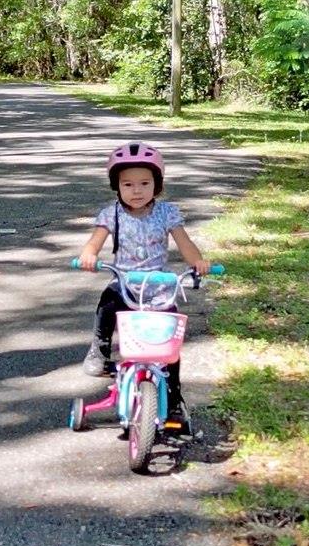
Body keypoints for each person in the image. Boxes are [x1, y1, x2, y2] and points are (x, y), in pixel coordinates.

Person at [76, 142, 210, 408]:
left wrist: (197, 262)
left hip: (159, 286)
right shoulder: (111, 214)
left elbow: (184, 243)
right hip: (125, 283)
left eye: (144, 183)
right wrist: (88, 255)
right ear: (117, 186)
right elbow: (95, 242)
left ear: (156, 185)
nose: (136, 190)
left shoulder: (167, 212)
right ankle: (100, 351)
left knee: (167, 345)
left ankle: (174, 397)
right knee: (107, 302)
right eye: (127, 184)